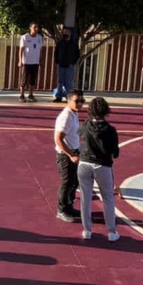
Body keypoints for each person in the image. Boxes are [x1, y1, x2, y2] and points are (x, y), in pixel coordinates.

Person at [78, 97, 121, 242]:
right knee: (108, 198)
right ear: (106, 111)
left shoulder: (84, 125)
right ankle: (111, 232)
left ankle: (87, 230)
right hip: (102, 165)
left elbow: (80, 136)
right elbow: (115, 152)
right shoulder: (110, 130)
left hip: (84, 163)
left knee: (85, 198)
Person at [54, 91, 84, 223]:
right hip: (66, 155)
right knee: (66, 183)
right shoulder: (66, 117)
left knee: (74, 182)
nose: (80, 104)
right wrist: (71, 155)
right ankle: (61, 210)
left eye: (82, 101)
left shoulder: (74, 114)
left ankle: (69, 206)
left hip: (74, 152)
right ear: (69, 101)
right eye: (77, 101)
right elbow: (58, 138)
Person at [52, 27, 80, 102]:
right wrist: (57, 61)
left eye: (66, 32)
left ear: (70, 33)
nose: (65, 33)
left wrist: (73, 62)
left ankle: (69, 98)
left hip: (69, 66)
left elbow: (77, 54)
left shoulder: (74, 43)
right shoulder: (59, 43)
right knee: (60, 82)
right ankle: (58, 97)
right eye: (64, 32)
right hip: (60, 65)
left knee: (69, 83)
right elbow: (56, 53)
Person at [18, 22, 43, 103]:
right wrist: (20, 61)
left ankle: (31, 95)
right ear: (30, 28)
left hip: (35, 62)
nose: (36, 29)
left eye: (37, 27)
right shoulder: (25, 37)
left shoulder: (39, 37)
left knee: (33, 79)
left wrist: (40, 59)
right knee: (24, 79)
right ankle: (22, 95)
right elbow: (21, 49)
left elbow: (40, 49)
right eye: (34, 27)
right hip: (26, 62)